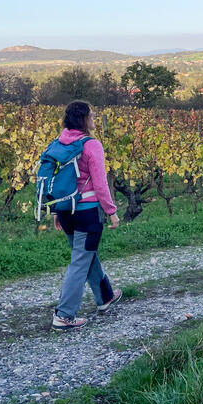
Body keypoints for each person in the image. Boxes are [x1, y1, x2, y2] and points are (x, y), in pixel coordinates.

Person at [51, 100, 121, 331]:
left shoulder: (60, 142)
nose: (94, 118)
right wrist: (111, 211)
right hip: (87, 212)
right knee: (80, 261)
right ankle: (64, 315)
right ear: (83, 119)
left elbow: (54, 180)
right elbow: (100, 183)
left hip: (65, 211)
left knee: (85, 254)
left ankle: (105, 298)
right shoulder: (91, 145)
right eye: (91, 115)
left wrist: (55, 210)